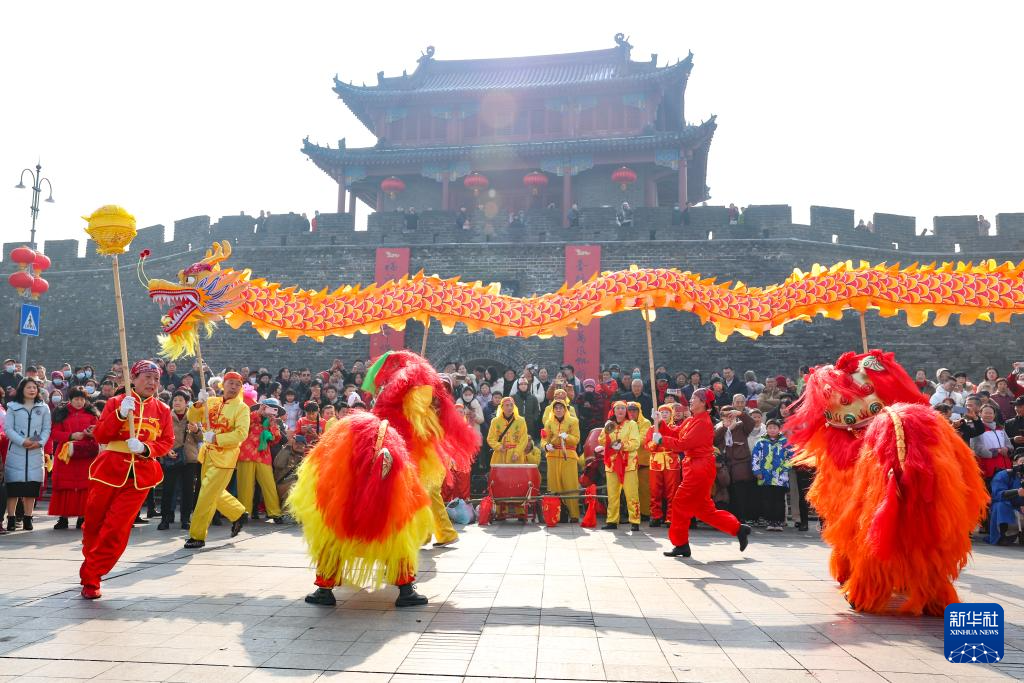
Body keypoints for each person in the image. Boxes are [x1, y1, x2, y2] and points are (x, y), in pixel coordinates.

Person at [79, 360, 174, 598]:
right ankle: (90, 568)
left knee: (116, 529)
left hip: (140, 475)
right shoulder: (116, 402)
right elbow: (101, 435)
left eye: (156, 379)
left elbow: (167, 441)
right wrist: (120, 414)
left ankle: (92, 576)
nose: (152, 383)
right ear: (133, 379)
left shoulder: (163, 409)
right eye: (147, 377)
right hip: (108, 470)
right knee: (93, 524)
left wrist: (146, 448)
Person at [659, 389, 751, 558]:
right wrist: (660, 424)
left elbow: (682, 444)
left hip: (699, 468)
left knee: (679, 503)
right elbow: (675, 434)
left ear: (703, 402)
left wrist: (660, 440)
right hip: (695, 467)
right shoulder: (691, 420)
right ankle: (738, 529)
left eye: (694, 398)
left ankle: (681, 544)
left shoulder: (703, 423)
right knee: (704, 511)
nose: (690, 400)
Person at [184, 371, 252, 549]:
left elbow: (241, 434)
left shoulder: (242, 408)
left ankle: (197, 535)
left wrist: (216, 438)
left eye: (237, 384)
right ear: (223, 385)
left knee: (206, 495)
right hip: (206, 455)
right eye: (230, 383)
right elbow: (192, 418)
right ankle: (238, 513)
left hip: (225, 458)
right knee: (213, 491)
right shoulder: (211, 401)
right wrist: (198, 404)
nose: (233, 387)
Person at [48, 387, 100, 530]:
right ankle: (63, 517)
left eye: (82, 399)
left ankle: (82, 517)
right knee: (64, 486)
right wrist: (71, 436)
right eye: (76, 399)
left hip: (86, 455)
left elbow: (100, 432)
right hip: (66, 455)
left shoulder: (92, 413)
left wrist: (92, 433)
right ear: (70, 400)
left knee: (85, 486)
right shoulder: (61, 413)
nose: (79, 402)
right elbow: (53, 433)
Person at [4, 378, 52, 531]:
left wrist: (39, 442)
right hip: (16, 451)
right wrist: (22, 441)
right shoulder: (13, 407)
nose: (32, 390)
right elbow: (8, 429)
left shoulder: (43, 408)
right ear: (22, 389)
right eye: (28, 387)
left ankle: (28, 518)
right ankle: (11, 518)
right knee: (13, 488)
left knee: (31, 488)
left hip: (35, 452)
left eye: (34, 387)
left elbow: (46, 429)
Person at [237, 397, 284, 523]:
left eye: (274, 409)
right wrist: (259, 412)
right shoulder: (251, 416)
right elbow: (243, 425)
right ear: (262, 406)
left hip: (263, 456)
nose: (271, 410)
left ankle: (275, 513)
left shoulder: (273, 422)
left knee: (269, 485)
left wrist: (273, 424)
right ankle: (243, 514)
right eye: (268, 407)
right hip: (246, 454)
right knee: (245, 486)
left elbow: (276, 439)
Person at [596, 401, 641, 531]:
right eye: (618, 408)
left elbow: (635, 443)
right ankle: (612, 521)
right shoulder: (609, 423)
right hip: (612, 463)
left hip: (628, 463)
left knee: (631, 493)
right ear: (614, 411)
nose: (620, 410)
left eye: (622, 408)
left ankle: (635, 520)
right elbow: (601, 441)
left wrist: (622, 446)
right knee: (612, 494)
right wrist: (606, 431)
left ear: (626, 411)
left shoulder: (631, 424)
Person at [160, 391, 201, 530]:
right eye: (175, 400)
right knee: (168, 490)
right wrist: (165, 451)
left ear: (186, 403)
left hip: (189, 458)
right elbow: (159, 436)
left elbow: (202, 438)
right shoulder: (166, 416)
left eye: (180, 400)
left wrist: (196, 430)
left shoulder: (193, 417)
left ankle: (185, 519)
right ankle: (165, 519)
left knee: (188, 490)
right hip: (171, 456)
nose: (177, 402)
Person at [487, 396, 531, 520]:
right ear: (502, 407)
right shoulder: (495, 421)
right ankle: (500, 511)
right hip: (500, 454)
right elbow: (490, 438)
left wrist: (517, 452)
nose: (509, 407)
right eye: (507, 405)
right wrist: (498, 446)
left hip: (516, 455)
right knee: (500, 482)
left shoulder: (521, 420)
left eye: (511, 405)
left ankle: (520, 511)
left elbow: (524, 439)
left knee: (518, 482)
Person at [716, 407, 757, 524]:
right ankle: (726, 519)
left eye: (731, 416)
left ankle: (741, 518)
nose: (729, 419)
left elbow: (751, 423)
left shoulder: (741, 427)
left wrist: (740, 413)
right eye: (725, 416)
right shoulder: (718, 428)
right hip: (724, 467)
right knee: (724, 494)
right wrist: (724, 427)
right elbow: (714, 440)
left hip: (740, 466)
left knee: (740, 493)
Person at [542, 400, 582, 522]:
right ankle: (556, 514)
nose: (558, 410)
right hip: (553, 456)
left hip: (568, 456)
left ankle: (574, 514)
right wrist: (546, 446)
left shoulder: (573, 421)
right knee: (554, 485)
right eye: (556, 408)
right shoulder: (548, 422)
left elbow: (576, 439)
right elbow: (544, 439)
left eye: (561, 407)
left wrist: (567, 437)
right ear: (553, 410)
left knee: (570, 484)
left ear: (565, 409)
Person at [750, 419, 792, 531]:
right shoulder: (760, 442)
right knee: (767, 499)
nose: (772, 430)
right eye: (770, 428)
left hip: (780, 477)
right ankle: (770, 521)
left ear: (779, 429)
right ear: (766, 429)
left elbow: (791, 457)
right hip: (765, 476)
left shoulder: (785, 442)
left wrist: (784, 468)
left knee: (779, 499)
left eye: (774, 428)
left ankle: (778, 522)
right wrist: (757, 471)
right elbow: (755, 457)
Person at [646, 404, 681, 528]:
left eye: (667, 412)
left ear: (671, 415)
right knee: (655, 491)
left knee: (673, 491)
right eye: (662, 412)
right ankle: (655, 516)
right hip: (656, 462)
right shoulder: (651, 429)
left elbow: (677, 443)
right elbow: (647, 446)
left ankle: (671, 517)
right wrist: (654, 443)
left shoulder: (676, 428)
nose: (664, 414)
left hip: (672, 461)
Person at [987, 451, 1024, 545]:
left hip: (1021, 509)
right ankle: (1002, 535)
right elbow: (997, 494)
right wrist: (1017, 492)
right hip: (1008, 507)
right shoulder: (1004, 474)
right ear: (1014, 462)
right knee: (1000, 505)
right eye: (1022, 462)